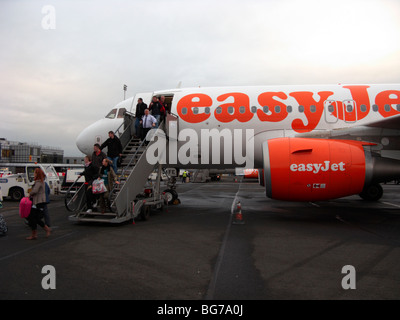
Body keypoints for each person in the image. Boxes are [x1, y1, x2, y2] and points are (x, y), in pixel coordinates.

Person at [26, 168, 51, 240]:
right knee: (35, 218)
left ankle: (35, 233)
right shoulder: (42, 182)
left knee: (32, 217)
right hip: (40, 202)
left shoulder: (38, 182)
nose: (33, 174)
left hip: (38, 202)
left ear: (37, 174)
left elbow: (35, 191)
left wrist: (29, 194)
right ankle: (45, 229)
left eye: (34, 173)